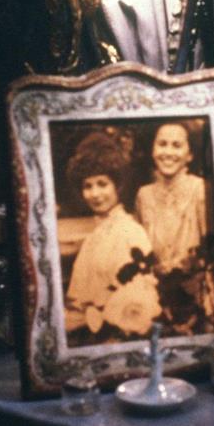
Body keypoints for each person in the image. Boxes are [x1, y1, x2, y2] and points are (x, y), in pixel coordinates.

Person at [63, 131, 160, 343]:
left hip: (121, 336)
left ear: (117, 186)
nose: (95, 194)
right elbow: (77, 299)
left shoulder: (131, 231)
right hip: (89, 333)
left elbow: (142, 300)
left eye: (102, 184)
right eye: (88, 186)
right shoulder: (93, 238)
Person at [134, 120, 214, 334]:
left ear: (189, 155)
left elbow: (211, 250)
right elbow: (139, 251)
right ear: (153, 150)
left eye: (176, 145)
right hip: (155, 294)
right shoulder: (144, 195)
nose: (168, 152)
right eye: (162, 144)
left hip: (194, 293)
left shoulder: (200, 189)